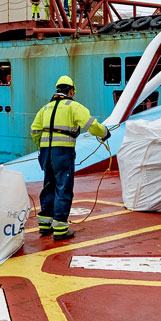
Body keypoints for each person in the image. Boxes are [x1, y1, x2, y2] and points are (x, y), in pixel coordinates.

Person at [29, 75, 110, 241]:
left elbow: (34, 130)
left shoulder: (45, 108)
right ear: (71, 91)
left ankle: (45, 225)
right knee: (63, 187)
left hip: (46, 152)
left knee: (49, 185)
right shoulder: (73, 106)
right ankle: (60, 229)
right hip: (63, 153)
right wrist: (104, 133)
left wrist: (42, 147)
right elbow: (91, 124)